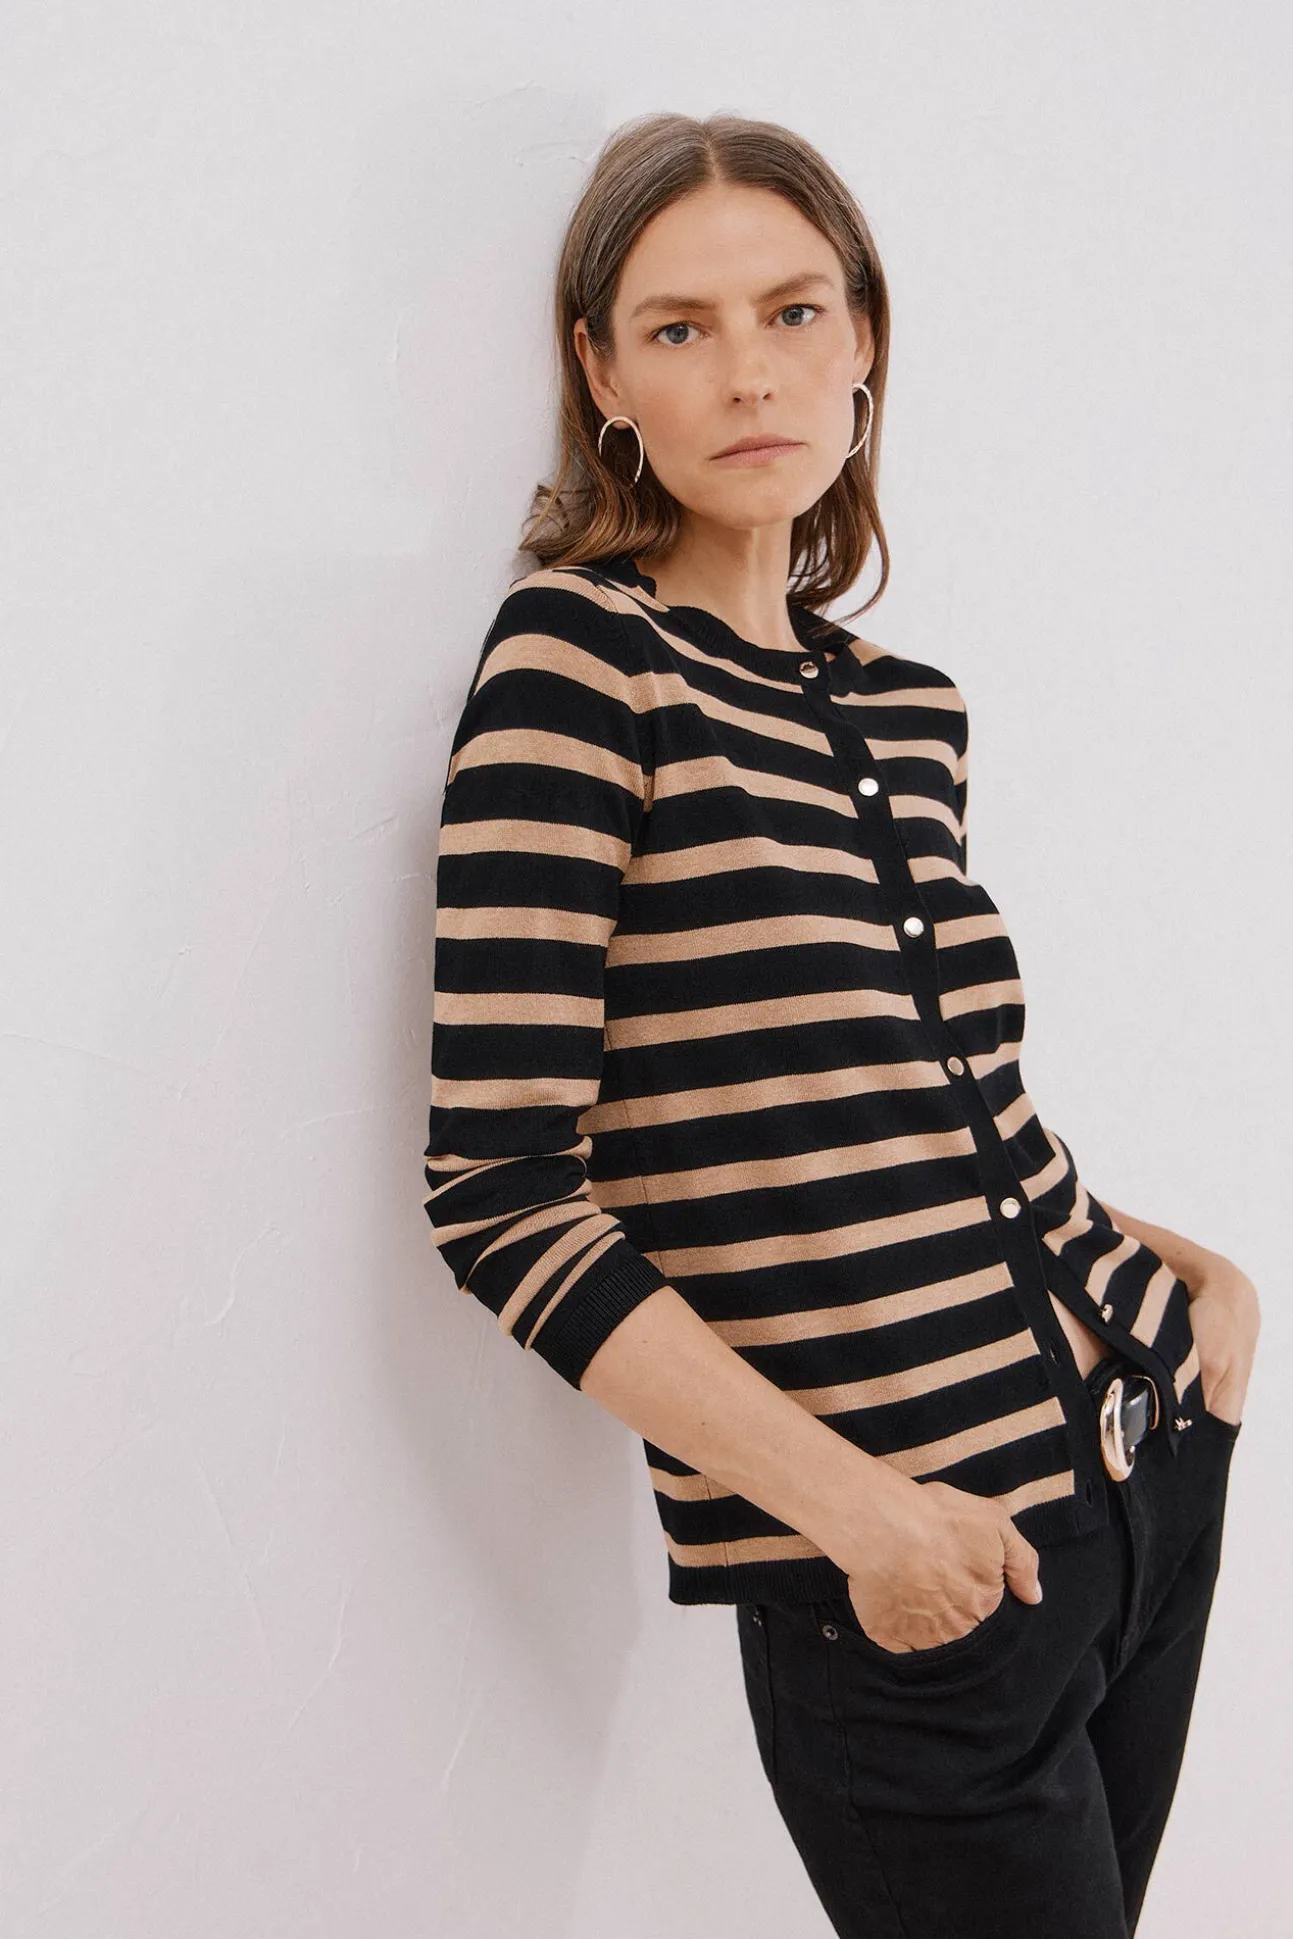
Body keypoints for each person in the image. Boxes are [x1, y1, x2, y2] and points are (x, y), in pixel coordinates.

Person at [422, 112, 1260, 1937]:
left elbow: (925, 1107)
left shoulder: (904, 705)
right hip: (918, 1587)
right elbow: (499, 1195)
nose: (750, 371)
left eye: (795, 311)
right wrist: (863, 1516)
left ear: (864, 336)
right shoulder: (581, 664)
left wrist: (1197, 1286)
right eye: (680, 326)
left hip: (1144, 1478)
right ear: (602, 373)